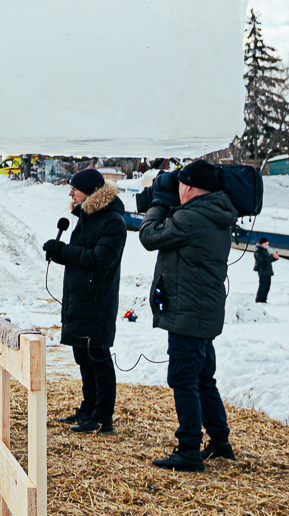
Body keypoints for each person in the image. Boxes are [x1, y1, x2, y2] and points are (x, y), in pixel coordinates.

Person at [140, 160, 239, 470]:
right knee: (202, 378)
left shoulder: (192, 217)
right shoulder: (214, 214)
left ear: (190, 188)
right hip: (202, 311)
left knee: (184, 379)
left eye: (181, 185)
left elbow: (149, 236)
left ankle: (189, 450)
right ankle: (220, 442)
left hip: (188, 312)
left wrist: (157, 203)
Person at [43, 167, 126, 435]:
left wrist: (65, 252)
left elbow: (100, 258)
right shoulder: (87, 218)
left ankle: (103, 417)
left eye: (74, 188)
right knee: (83, 356)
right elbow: (82, 255)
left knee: (97, 357)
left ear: (89, 192)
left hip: (97, 304)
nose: (70, 193)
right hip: (80, 301)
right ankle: (88, 408)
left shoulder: (112, 221)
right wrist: (62, 253)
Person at [253, 237, 278, 303]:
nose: (267, 245)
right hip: (262, 270)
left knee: (267, 286)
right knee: (262, 286)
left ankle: (264, 299)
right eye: (265, 243)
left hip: (267, 270)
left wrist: (274, 258)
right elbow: (263, 259)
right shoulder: (258, 250)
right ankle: (259, 299)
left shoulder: (265, 250)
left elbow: (268, 259)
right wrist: (272, 256)